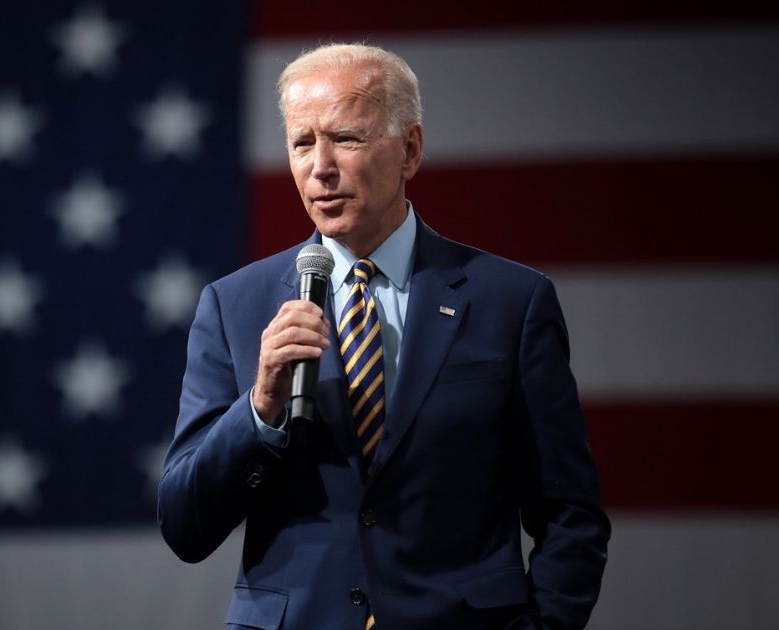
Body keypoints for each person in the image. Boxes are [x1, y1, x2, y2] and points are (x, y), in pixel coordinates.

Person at [158, 43, 610, 630]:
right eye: (301, 143)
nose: (320, 166)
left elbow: (570, 513)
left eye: (345, 138)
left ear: (410, 150)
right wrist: (261, 408)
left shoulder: (511, 302)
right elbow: (185, 527)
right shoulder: (233, 306)